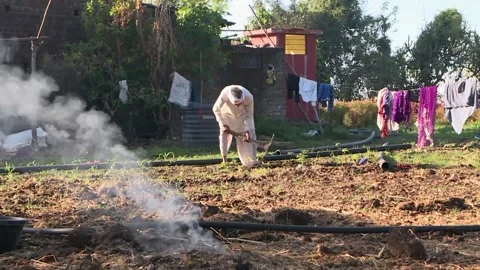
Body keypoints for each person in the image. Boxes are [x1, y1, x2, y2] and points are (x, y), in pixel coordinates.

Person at [212, 85, 259, 167]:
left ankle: (251, 162)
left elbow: (249, 114)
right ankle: (224, 160)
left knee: (248, 137)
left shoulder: (249, 97)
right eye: (236, 104)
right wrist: (222, 124)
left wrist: (247, 129)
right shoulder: (224, 95)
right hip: (226, 116)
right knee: (224, 136)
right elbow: (215, 109)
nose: (237, 106)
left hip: (242, 116)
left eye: (239, 104)